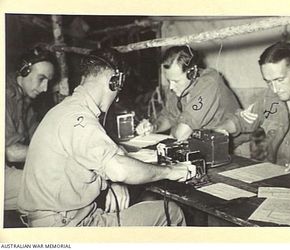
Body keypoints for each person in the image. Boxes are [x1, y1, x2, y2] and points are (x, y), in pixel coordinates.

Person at [17, 48, 195, 227]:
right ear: (114, 82)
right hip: (67, 226)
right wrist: (170, 171)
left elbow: (105, 155)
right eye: (119, 90)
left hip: (60, 219)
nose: (116, 99)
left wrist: (111, 182)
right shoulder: (79, 119)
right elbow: (119, 169)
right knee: (171, 213)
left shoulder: (66, 110)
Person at [216, 41, 290, 173]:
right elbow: (241, 121)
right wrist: (219, 130)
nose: (275, 89)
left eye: (280, 80)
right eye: (269, 82)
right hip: (275, 178)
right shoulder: (269, 99)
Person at [136, 45, 240, 141]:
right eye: (169, 81)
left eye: (176, 81)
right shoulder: (178, 87)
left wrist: (174, 131)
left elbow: (182, 134)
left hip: (232, 147)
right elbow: (169, 116)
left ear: (192, 73)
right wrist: (153, 127)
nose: (171, 87)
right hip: (203, 143)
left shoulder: (209, 82)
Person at [5, 47, 55, 210]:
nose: (45, 88)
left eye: (49, 81)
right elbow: (12, 153)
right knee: (50, 185)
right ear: (24, 71)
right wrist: (55, 154)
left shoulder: (25, 103)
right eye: (41, 79)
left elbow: (39, 140)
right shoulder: (4, 96)